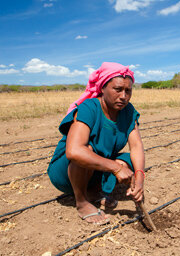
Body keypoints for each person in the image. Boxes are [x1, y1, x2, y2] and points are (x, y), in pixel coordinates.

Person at [47, 62, 145, 225]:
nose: (123, 96)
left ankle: (93, 191)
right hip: (65, 171)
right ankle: (82, 201)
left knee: (128, 159)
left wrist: (140, 177)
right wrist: (116, 168)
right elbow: (74, 152)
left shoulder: (128, 111)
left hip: (95, 168)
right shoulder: (88, 108)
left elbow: (136, 147)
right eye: (118, 89)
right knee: (87, 150)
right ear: (102, 88)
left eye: (128, 91)